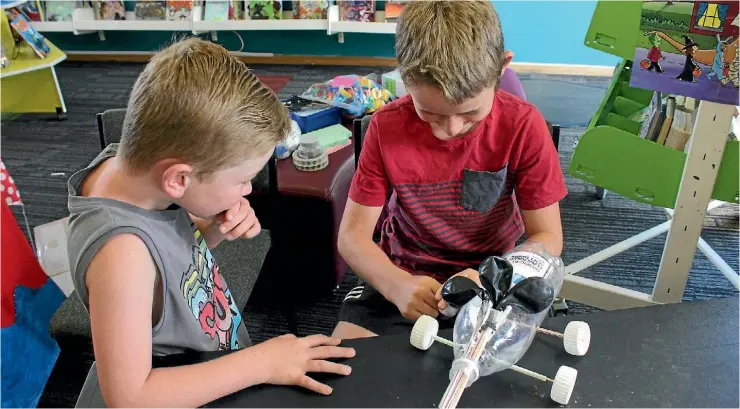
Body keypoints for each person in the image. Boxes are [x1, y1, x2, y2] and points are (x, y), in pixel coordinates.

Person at [66, 37, 355, 408]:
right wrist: (261, 362)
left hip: (202, 352)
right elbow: (130, 397)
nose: (248, 190)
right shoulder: (121, 255)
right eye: (241, 181)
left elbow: (163, 266)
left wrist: (210, 231)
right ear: (179, 179)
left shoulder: (127, 167)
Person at [333, 1, 567, 340]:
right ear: (405, 77)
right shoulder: (384, 128)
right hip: (403, 274)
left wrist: (496, 274)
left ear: (502, 68)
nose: (449, 129)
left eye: (470, 114)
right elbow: (352, 237)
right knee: (349, 373)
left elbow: (548, 237)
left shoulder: (524, 126)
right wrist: (397, 285)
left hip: (493, 280)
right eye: (429, 113)